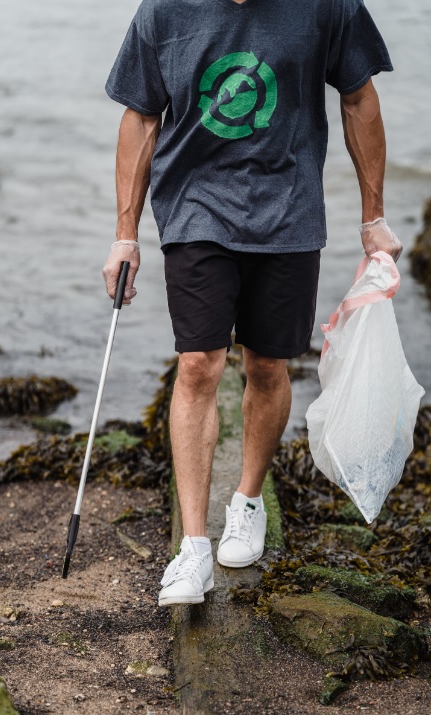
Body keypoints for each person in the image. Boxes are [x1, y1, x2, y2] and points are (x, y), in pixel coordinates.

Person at [102, 0, 402, 607]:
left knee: (267, 365)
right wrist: (125, 234)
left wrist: (374, 217)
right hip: (194, 208)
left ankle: (247, 503)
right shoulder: (163, 11)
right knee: (198, 364)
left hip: (288, 210)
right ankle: (192, 549)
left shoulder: (327, 6)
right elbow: (140, 116)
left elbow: (358, 97)